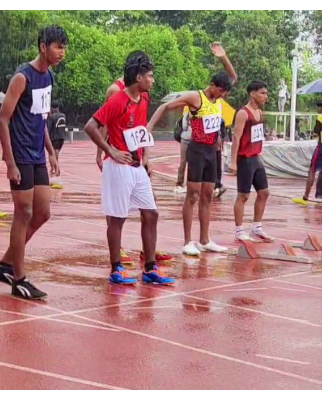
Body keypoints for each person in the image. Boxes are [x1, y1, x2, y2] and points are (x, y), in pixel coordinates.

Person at [84, 51, 174, 286]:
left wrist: (146, 156)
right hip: (119, 166)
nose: (153, 81)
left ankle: (150, 268)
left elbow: (140, 129)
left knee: (151, 213)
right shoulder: (117, 100)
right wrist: (109, 150)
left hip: (137, 166)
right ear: (138, 78)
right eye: (150, 76)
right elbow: (91, 126)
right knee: (117, 219)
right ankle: (116, 268)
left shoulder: (143, 99)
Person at [0, 25, 66, 299]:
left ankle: (6, 265)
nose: (61, 53)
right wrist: (9, 162)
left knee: (42, 213)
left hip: (37, 155)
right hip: (20, 154)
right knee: (22, 213)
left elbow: (41, 117)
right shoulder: (22, 77)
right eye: (57, 47)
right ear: (42, 46)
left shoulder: (49, 78)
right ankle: (18, 279)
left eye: (63, 48)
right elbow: (2, 119)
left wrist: (50, 151)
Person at [147, 43, 237, 257]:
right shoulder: (195, 97)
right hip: (196, 151)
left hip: (212, 152)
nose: (223, 96)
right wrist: (148, 128)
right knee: (192, 195)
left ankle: (205, 239)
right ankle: (188, 241)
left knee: (208, 196)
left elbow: (232, 76)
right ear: (212, 85)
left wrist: (224, 57)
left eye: (225, 93)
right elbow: (165, 106)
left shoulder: (218, 97)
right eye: (221, 91)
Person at [229, 81, 274, 242]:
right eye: (262, 93)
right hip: (245, 159)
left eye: (266, 93)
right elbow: (236, 137)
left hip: (256, 158)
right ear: (252, 93)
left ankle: (257, 228)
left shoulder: (260, 113)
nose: (265, 97)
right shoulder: (243, 113)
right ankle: (239, 230)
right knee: (243, 195)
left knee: (264, 193)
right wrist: (233, 161)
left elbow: (257, 135)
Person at [300, 101, 322, 202]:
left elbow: (316, 133)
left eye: (319, 107)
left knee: (312, 171)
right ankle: (320, 194)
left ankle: (306, 196)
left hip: (322, 147)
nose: (318, 110)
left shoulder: (321, 118)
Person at [47, 101, 66, 189]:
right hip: (61, 138)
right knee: (56, 154)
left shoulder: (52, 116)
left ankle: (55, 170)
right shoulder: (63, 115)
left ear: (52, 108)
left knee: (52, 154)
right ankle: (55, 170)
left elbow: (48, 128)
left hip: (54, 138)